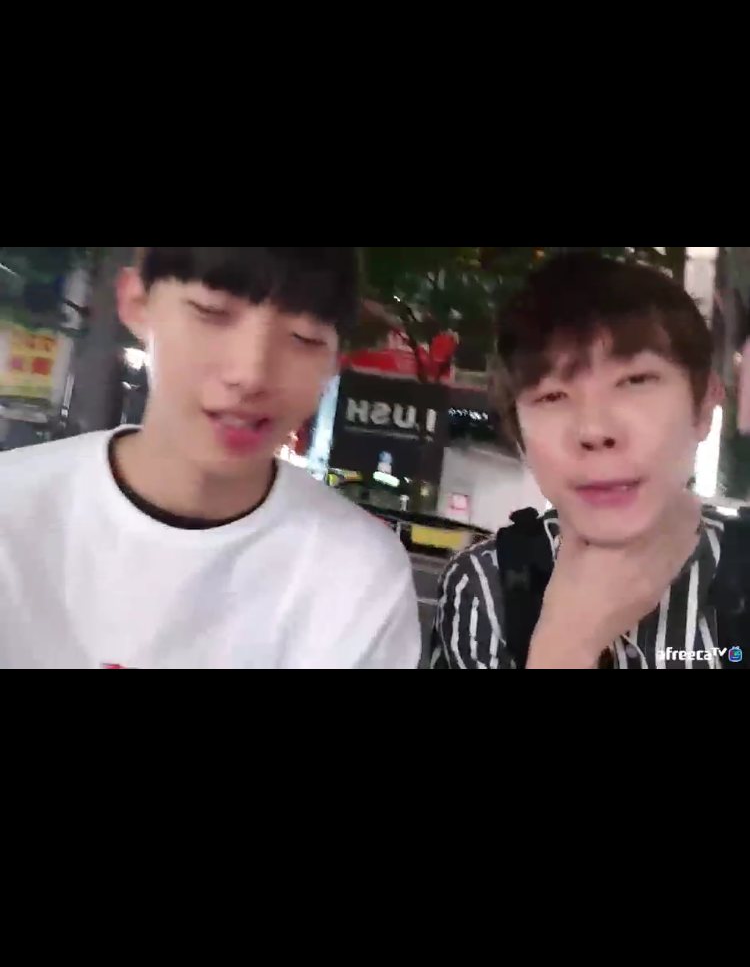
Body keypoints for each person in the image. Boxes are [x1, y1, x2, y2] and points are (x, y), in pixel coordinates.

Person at [0, 247, 421, 669]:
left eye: (304, 338)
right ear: (137, 304)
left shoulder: (358, 577)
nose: (251, 374)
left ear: (334, 363)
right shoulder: (12, 511)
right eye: (212, 313)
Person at [430, 252, 749, 670]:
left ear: (705, 405)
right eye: (552, 396)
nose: (595, 431)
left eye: (635, 381)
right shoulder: (486, 589)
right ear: (519, 433)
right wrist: (566, 643)